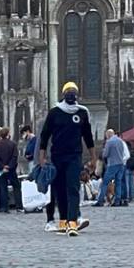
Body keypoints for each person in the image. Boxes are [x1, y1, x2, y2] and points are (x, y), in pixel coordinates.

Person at [38, 82, 95, 236]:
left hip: (74, 155)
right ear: (63, 94)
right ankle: (63, 221)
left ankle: (72, 222)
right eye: (69, 91)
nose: (71, 93)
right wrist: (42, 156)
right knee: (60, 189)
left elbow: (88, 137)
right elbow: (45, 135)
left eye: (74, 91)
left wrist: (93, 157)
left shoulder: (82, 113)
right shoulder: (55, 112)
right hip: (57, 156)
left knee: (73, 187)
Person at [0, 126, 18, 213]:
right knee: (16, 186)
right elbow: (14, 157)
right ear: (8, 134)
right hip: (10, 169)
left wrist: (2, 166)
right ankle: (19, 205)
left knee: (3, 188)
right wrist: (9, 166)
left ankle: (4, 207)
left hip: (0, 170)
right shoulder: (12, 144)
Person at [96, 128, 128, 208]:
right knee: (118, 183)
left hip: (112, 164)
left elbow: (105, 154)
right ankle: (117, 201)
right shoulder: (121, 141)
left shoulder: (109, 142)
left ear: (108, 135)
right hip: (121, 164)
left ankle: (100, 201)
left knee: (105, 183)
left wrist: (103, 153)